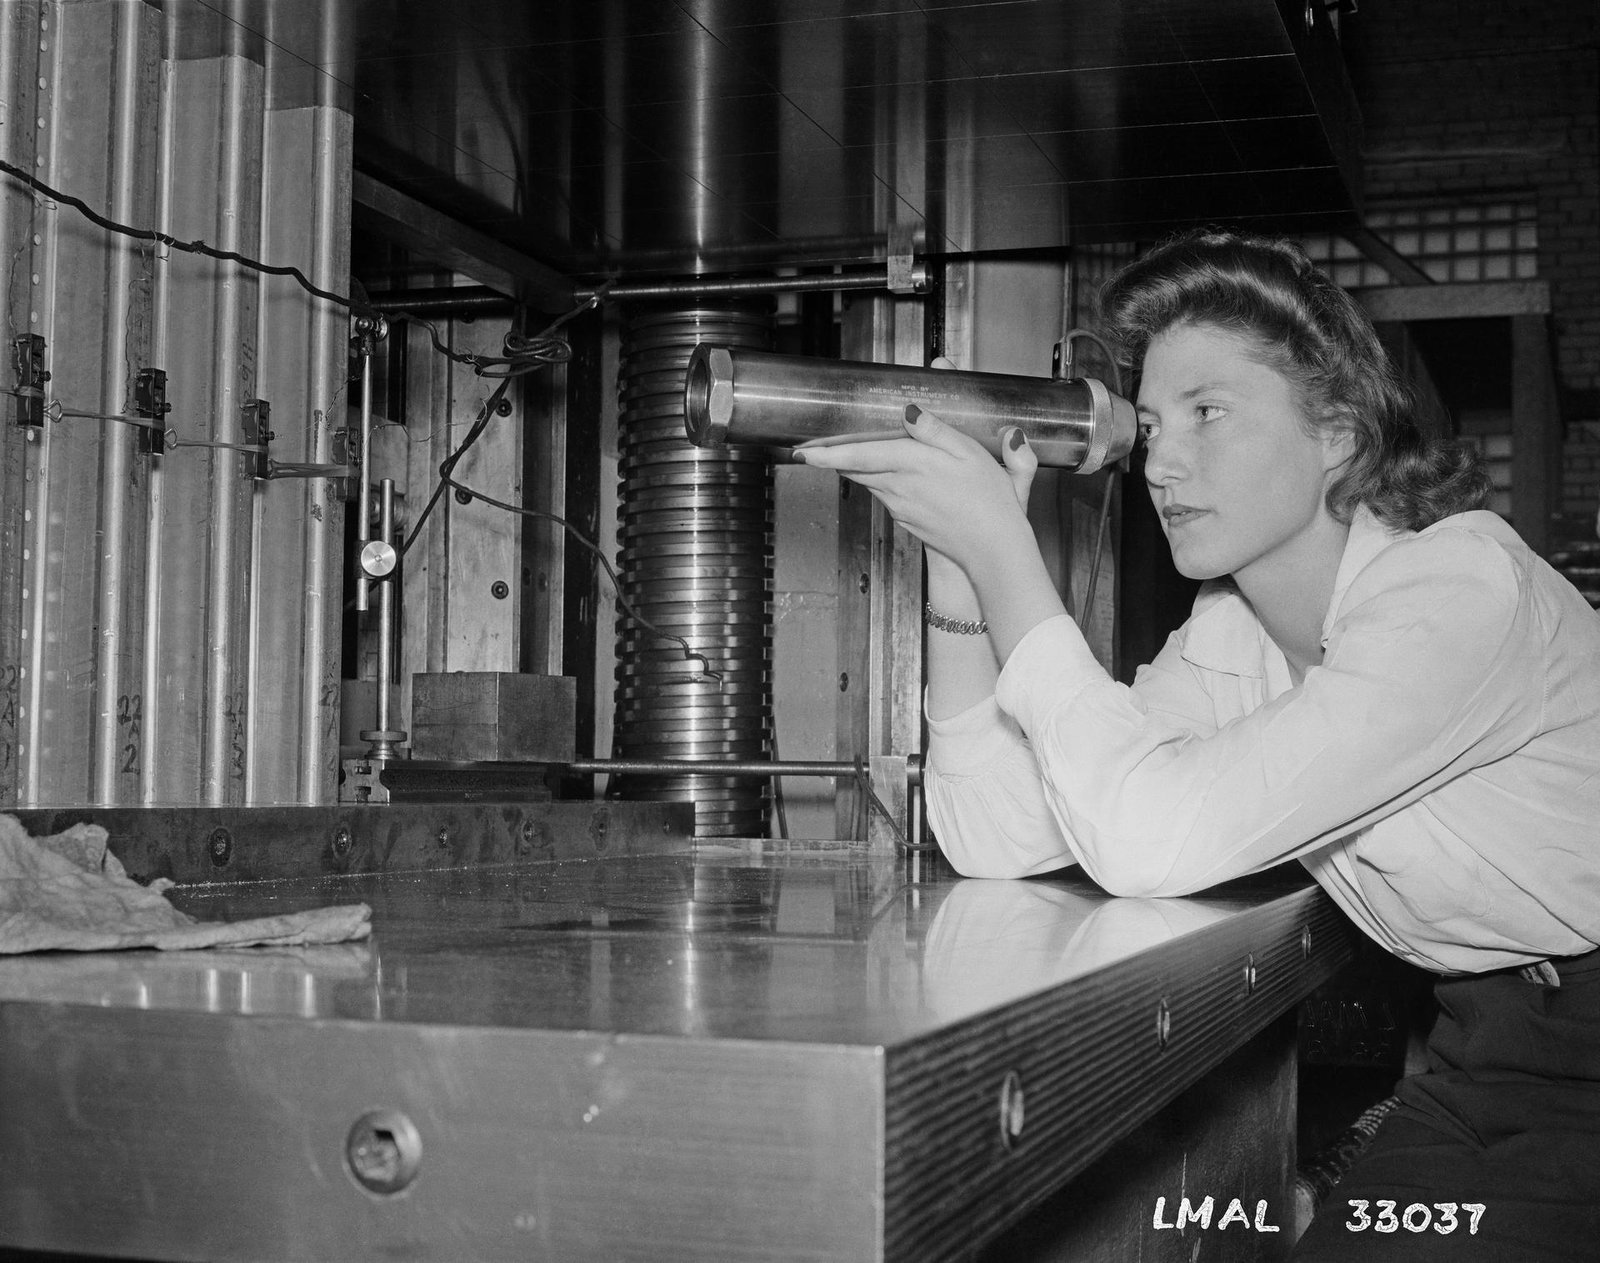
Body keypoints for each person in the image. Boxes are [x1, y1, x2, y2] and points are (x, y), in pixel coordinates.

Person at [793, 229, 1600, 1260]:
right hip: (1489, 1054)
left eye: (1208, 414)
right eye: (1152, 426)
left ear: (1337, 432)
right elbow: (999, 831)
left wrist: (1006, 555)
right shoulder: (1232, 633)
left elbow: (1142, 835)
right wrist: (958, 575)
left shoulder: (1458, 594)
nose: (1162, 465)